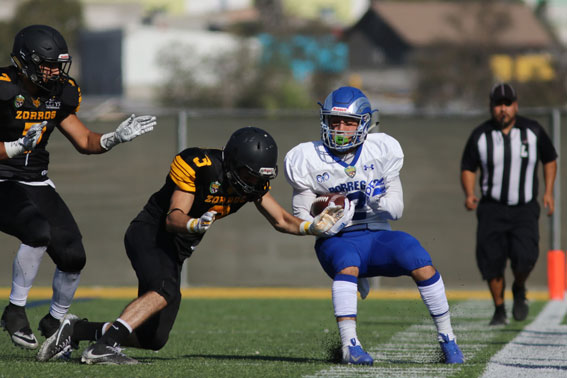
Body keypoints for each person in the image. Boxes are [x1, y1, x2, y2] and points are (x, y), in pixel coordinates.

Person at [37, 126, 351, 364]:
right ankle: (103, 348)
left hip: (176, 249)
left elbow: (281, 220)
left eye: (258, 178)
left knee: (153, 338)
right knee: (164, 289)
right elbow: (174, 218)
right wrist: (193, 223)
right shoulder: (199, 164)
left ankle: (75, 331)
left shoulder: (254, 183)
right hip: (151, 233)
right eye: (247, 175)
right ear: (231, 163)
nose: (252, 183)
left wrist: (313, 227)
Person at [0, 24, 155, 350]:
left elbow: (85, 140)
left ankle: (55, 322)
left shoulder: (60, 93)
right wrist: (14, 148)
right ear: (25, 62)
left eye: (59, 65)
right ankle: (15, 311)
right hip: (2, 178)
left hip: (36, 180)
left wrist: (113, 138)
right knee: (37, 230)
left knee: (73, 255)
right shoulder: (3, 88)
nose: (56, 72)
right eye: (49, 65)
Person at [283, 86, 464, 365]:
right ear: (325, 121)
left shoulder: (381, 150)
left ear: (364, 124)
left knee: (417, 255)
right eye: (335, 121)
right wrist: (328, 220)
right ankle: (349, 346)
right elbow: (301, 216)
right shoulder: (306, 157)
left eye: (349, 122)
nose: (341, 128)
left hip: (377, 234)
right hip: (337, 240)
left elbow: (396, 209)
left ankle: (448, 339)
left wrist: (375, 199)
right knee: (347, 260)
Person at [460, 82, 557, 326]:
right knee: (491, 260)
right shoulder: (481, 135)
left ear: (516, 105)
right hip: (492, 207)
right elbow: (468, 167)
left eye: (507, 104)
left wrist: (548, 192)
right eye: (498, 104)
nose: (503, 109)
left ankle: (519, 286)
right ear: (491, 106)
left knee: (526, 256)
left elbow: (550, 158)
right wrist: (469, 193)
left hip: (524, 206)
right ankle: (500, 309)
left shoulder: (532, 131)